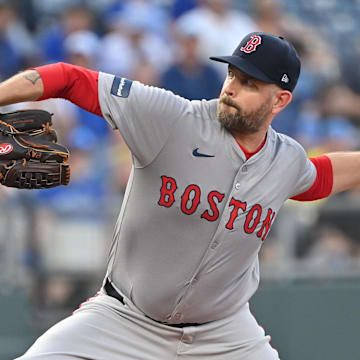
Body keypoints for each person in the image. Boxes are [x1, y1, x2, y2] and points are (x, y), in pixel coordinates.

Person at [1, 31, 359, 360]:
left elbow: (319, 178)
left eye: (248, 83)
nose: (231, 88)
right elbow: (69, 78)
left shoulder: (286, 160)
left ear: (280, 101)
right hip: (125, 321)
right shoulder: (172, 118)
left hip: (224, 336)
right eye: (232, 74)